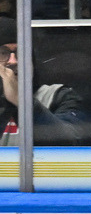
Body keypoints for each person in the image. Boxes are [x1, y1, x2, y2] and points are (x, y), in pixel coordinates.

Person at [0, 17, 83, 146]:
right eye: (2, 53)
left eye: (21, 52)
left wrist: (21, 101)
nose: (13, 61)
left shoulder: (58, 96)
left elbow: (71, 144)